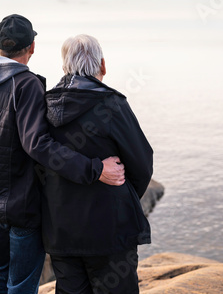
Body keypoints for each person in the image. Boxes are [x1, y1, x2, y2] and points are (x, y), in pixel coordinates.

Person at [0, 15, 125, 294]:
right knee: (20, 284)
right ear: (32, 47)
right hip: (20, 208)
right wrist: (94, 169)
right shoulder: (26, 83)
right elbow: (38, 144)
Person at [42, 34, 154, 293]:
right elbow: (142, 163)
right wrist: (122, 195)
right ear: (102, 65)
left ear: (64, 67)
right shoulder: (112, 104)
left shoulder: (44, 105)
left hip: (61, 229)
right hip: (109, 230)